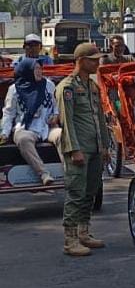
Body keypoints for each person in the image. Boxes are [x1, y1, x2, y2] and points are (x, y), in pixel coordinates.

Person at [55, 43, 113, 257]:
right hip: (78, 149)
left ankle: (83, 231)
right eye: (93, 60)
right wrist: (74, 150)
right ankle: (70, 240)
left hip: (95, 147)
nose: (97, 63)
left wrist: (105, 146)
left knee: (91, 191)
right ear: (80, 61)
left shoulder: (93, 86)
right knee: (76, 193)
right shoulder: (67, 87)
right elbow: (67, 122)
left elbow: (100, 118)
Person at [1, 56, 62, 185]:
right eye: (36, 69)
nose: (40, 72)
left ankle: (70, 172)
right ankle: (43, 173)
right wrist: (5, 133)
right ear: (27, 71)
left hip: (47, 127)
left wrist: (55, 116)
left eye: (40, 68)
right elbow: (8, 113)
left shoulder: (49, 85)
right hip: (25, 128)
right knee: (23, 139)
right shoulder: (14, 90)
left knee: (63, 135)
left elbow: (55, 108)